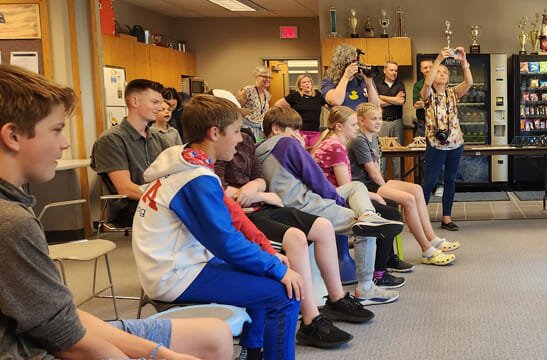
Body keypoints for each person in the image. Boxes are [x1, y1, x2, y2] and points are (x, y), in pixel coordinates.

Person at [0, 64, 233, 360]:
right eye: (57, 130)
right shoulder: (11, 222)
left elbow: (59, 317)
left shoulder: (160, 137)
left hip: (53, 332)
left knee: (215, 334)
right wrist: (160, 355)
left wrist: (158, 352)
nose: (65, 142)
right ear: (13, 136)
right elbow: (63, 336)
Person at [131, 94, 303, 360]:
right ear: (214, 133)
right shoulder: (194, 178)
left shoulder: (185, 160)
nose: (239, 139)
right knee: (285, 294)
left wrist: (269, 257)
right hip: (176, 276)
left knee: (267, 275)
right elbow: (226, 243)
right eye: (235, 132)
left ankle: (253, 352)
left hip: (177, 265)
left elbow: (234, 224)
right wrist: (276, 267)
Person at [211, 92, 374, 347]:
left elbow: (258, 176)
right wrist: (248, 192)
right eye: (234, 128)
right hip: (244, 213)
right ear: (216, 131)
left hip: (262, 203)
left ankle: (337, 298)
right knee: (297, 237)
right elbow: (219, 189)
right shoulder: (214, 155)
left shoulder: (245, 140)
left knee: (322, 227)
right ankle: (310, 321)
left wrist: (255, 189)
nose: (239, 133)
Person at [256, 106, 403, 306]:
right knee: (366, 227)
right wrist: (337, 200)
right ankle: (366, 288)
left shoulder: (260, 151)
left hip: (292, 201)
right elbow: (315, 178)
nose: (298, 135)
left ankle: (368, 213)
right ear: (276, 128)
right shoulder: (286, 144)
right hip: (306, 202)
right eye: (294, 130)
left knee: (356, 187)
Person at [329, 103, 460, 266]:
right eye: (374, 119)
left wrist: (386, 186)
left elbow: (377, 170)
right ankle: (427, 250)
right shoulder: (358, 140)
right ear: (361, 121)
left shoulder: (373, 137)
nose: (379, 122)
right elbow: (373, 173)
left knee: (417, 189)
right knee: (408, 199)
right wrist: (386, 188)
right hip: (364, 186)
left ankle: (433, 239)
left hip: (373, 183)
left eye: (380, 118)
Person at [312, 106, 418, 287]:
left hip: (330, 195)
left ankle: (386, 261)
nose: (356, 128)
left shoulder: (333, 143)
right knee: (389, 215)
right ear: (339, 126)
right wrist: (372, 196)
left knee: (388, 208)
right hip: (332, 201)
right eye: (353, 124)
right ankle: (379, 273)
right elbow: (347, 187)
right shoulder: (336, 147)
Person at [91, 78, 167, 228]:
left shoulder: (157, 137)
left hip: (155, 201)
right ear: (134, 102)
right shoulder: (111, 140)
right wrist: (167, 201)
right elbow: (125, 188)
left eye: (160, 102)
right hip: (131, 207)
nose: (160, 107)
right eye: (155, 102)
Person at [420, 47, 472, 232]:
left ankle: (446, 217)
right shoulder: (427, 95)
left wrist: (463, 61)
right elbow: (427, 83)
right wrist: (439, 59)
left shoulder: (453, 93)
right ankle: (421, 217)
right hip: (435, 145)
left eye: (444, 72)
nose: (441, 74)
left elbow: (469, 82)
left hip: (455, 144)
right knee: (429, 181)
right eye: (438, 72)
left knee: (450, 180)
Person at [321, 43, 381, 110]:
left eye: (356, 61)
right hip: (343, 119)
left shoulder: (362, 78)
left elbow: (375, 106)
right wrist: (346, 77)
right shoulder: (329, 80)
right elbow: (335, 101)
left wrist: (369, 84)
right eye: (351, 62)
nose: (354, 64)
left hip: (363, 119)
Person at [274, 74, 326, 148]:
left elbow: (329, 107)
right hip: (299, 131)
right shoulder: (295, 96)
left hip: (315, 131)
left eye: (309, 82)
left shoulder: (317, 95)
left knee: (314, 153)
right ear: (300, 86)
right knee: (301, 152)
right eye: (304, 82)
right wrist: (288, 114)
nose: (307, 83)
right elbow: (277, 104)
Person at [377, 60, 406, 180]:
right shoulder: (377, 84)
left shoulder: (400, 85)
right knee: (381, 154)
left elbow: (401, 102)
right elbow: (375, 102)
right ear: (385, 70)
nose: (394, 72)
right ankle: (380, 184)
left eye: (396, 70)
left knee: (397, 156)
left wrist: (381, 97)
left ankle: (398, 183)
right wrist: (393, 100)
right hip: (381, 123)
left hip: (397, 122)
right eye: (391, 70)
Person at [238, 66, 272, 141]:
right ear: (257, 77)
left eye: (270, 78)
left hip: (261, 128)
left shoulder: (267, 94)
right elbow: (238, 110)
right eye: (265, 76)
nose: (268, 79)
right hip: (247, 127)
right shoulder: (247, 91)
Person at [412, 59, 434, 137]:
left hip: (438, 122)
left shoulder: (440, 83)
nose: (428, 69)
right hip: (423, 123)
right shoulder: (418, 85)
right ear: (421, 70)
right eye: (425, 68)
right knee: (421, 147)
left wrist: (424, 101)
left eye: (430, 67)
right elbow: (416, 105)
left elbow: (444, 101)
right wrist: (434, 100)